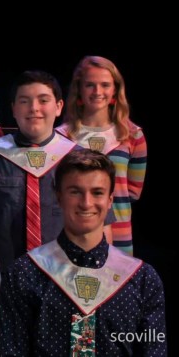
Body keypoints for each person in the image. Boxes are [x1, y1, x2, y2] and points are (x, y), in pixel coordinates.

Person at [0, 149, 166, 356]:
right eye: (75, 191)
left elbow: (153, 349)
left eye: (97, 192)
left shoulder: (143, 280)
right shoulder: (23, 274)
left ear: (110, 200)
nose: (86, 203)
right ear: (59, 197)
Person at [0, 70, 80, 272]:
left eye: (43, 100)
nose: (34, 108)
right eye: (24, 101)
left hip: (64, 274)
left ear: (59, 107)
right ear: (14, 109)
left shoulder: (78, 160)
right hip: (0, 274)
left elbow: (100, 226)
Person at [56, 55, 146, 256]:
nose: (98, 92)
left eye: (105, 85)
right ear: (79, 89)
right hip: (73, 235)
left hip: (120, 239)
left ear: (115, 89)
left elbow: (133, 192)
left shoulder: (133, 135)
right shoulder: (61, 137)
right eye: (90, 85)